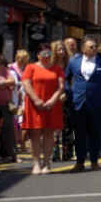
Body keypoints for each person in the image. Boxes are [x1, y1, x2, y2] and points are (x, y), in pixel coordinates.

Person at [63, 37, 101, 173]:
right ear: (83, 49)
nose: (93, 49)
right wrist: (69, 92)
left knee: (95, 133)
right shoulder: (74, 61)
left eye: (94, 46)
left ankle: (94, 161)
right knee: (79, 134)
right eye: (90, 47)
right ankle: (79, 162)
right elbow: (65, 78)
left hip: (97, 103)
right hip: (78, 102)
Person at [22, 44, 64, 174]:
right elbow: (26, 83)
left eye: (49, 54)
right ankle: (36, 163)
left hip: (52, 104)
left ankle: (47, 162)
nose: (46, 57)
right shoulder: (31, 67)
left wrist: (53, 100)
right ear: (38, 55)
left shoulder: (57, 69)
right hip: (35, 104)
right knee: (35, 134)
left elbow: (61, 86)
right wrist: (36, 99)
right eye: (44, 54)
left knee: (49, 133)